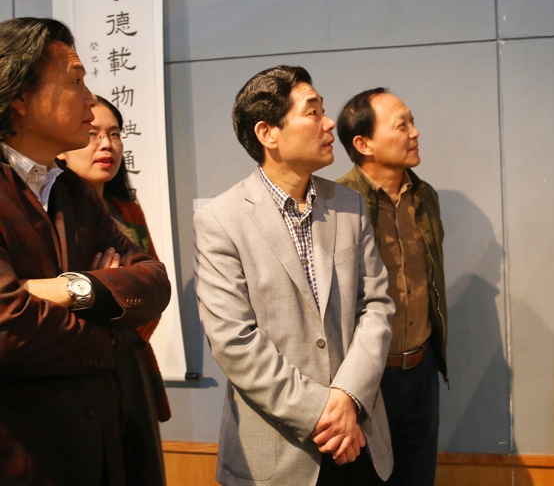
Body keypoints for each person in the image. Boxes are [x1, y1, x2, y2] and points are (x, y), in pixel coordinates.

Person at [193, 65, 395, 486]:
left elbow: (376, 306)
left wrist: (347, 396)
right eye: (313, 112)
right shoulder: (220, 219)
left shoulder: (349, 204)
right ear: (268, 133)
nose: (328, 123)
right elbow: (234, 340)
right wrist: (321, 411)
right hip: (277, 455)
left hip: (358, 437)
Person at [0, 17, 170, 486]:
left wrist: (70, 288)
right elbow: (7, 327)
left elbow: (154, 283)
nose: (91, 101)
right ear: (20, 96)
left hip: (100, 450)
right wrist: (112, 335)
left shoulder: (72, 191)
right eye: (75, 81)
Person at [337, 88, 448, 486]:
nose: (414, 133)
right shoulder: (336, 203)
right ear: (363, 143)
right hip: (366, 378)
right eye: (402, 125)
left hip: (421, 370)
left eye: (412, 122)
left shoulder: (425, 196)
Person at [59, 95, 170, 486]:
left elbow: (153, 291)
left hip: (132, 361)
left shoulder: (127, 211)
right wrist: (108, 288)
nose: (106, 145)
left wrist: (113, 300)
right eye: (92, 134)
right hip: (76, 370)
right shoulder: (51, 215)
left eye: (114, 134)